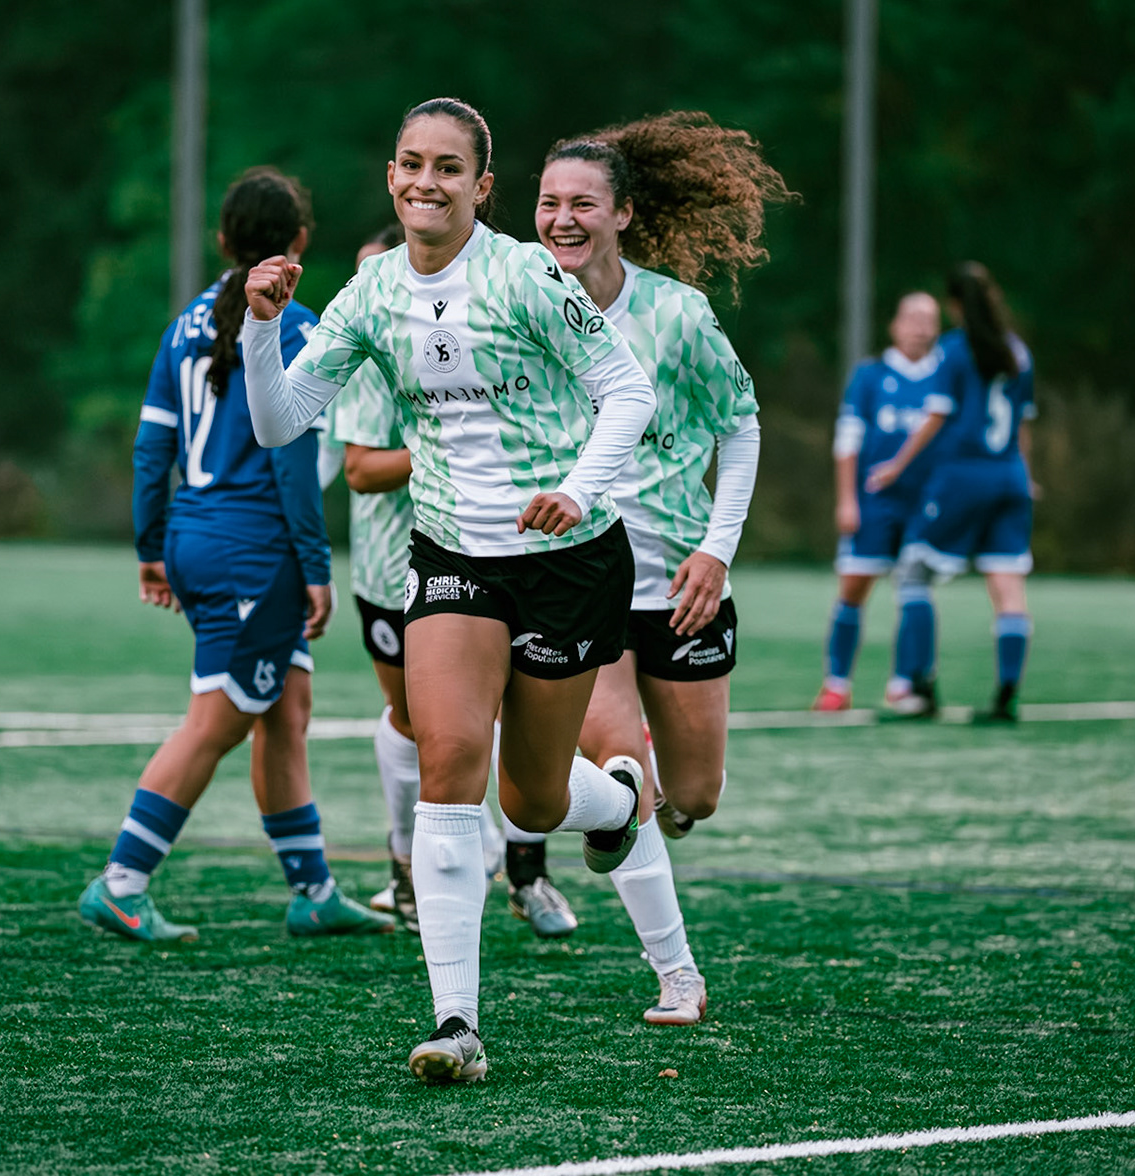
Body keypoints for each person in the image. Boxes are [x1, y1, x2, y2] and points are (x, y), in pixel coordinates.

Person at [239, 98, 657, 1085]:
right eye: (411, 165)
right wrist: (260, 327)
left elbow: (626, 392)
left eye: (449, 168)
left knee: (536, 794)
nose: (427, 181)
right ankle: (456, 1021)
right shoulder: (371, 289)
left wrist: (578, 489)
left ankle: (619, 801)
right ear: (392, 176)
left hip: (564, 557)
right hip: (454, 554)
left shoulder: (525, 275)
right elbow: (280, 420)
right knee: (451, 753)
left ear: (482, 186)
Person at [78, 168, 394, 945]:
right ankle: (121, 881)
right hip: (255, 552)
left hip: (196, 535)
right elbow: (290, 464)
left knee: (286, 710)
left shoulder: (183, 322)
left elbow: (152, 451)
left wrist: (153, 547)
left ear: (222, 240)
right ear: (300, 242)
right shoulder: (298, 323)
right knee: (216, 723)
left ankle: (312, 890)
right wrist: (317, 568)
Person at [535, 112, 784, 1026]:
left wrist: (718, 548)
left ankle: (656, 815)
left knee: (695, 795)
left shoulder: (676, 315)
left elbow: (741, 427)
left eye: (583, 204)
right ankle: (677, 974)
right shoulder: (523, 303)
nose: (563, 219)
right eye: (549, 202)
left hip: (680, 585)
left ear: (624, 213)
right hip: (579, 581)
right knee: (622, 767)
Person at [332, 225, 575, 940]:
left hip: (498, 552)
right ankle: (409, 864)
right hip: (393, 566)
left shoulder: (481, 329)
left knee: (515, 726)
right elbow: (358, 469)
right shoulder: (369, 353)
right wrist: (443, 448)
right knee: (422, 725)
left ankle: (527, 875)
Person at [867, 261, 1038, 722]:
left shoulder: (955, 350)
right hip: (1011, 478)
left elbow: (937, 415)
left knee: (913, 571)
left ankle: (920, 688)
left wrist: (895, 466)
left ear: (955, 306)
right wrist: (1026, 474)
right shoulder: (1018, 352)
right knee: (1007, 586)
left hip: (964, 477)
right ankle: (1007, 696)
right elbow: (1023, 422)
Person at [815, 292, 945, 716]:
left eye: (929, 318)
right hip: (874, 502)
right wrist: (847, 500)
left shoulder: (945, 375)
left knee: (915, 589)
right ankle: (837, 685)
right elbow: (847, 441)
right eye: (912, 317)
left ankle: (905, 684)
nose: (920, 326)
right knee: (853, 587)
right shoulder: (870, 376)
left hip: (924, 504)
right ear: (895, 324)